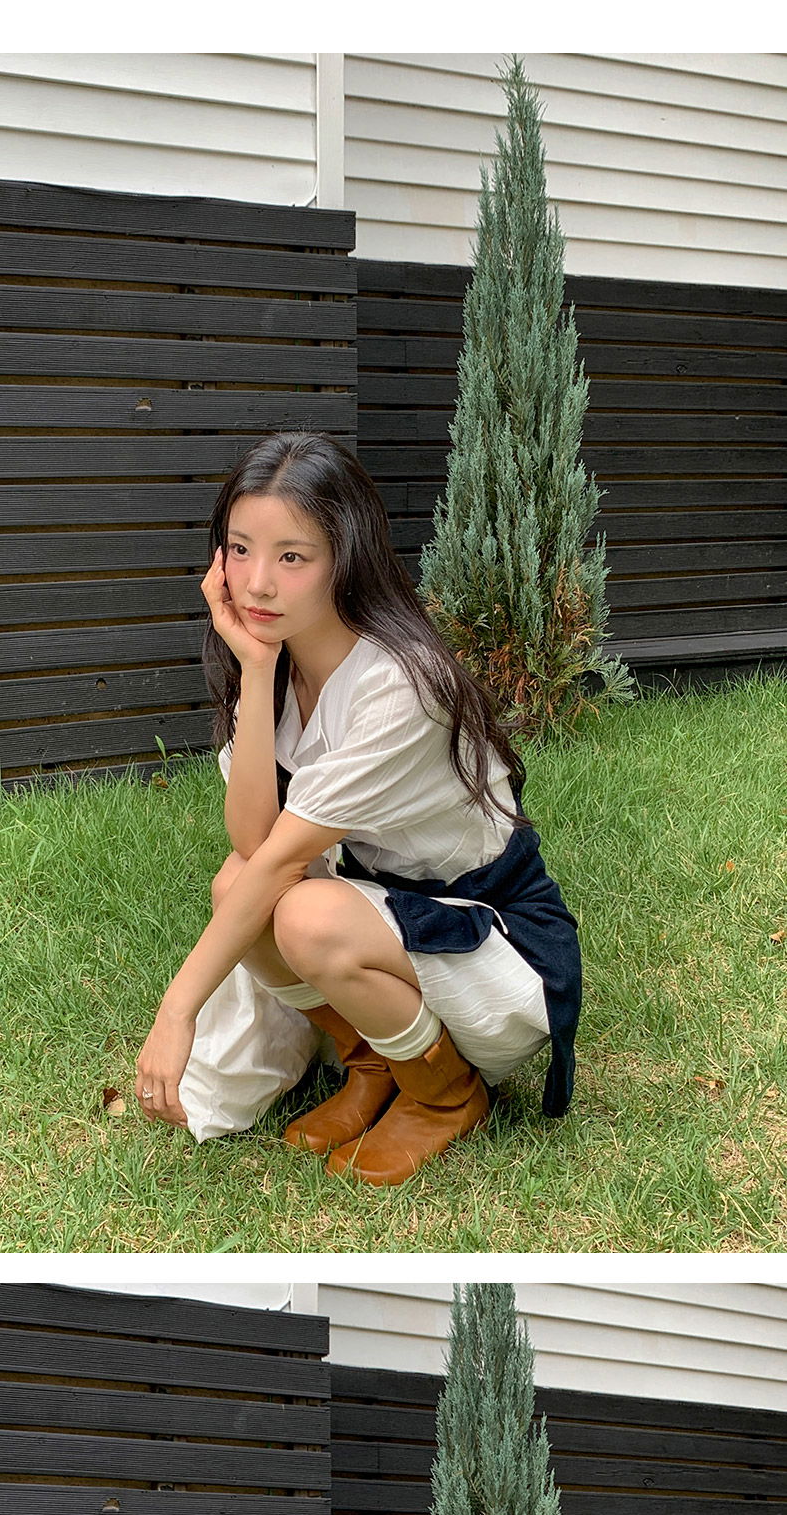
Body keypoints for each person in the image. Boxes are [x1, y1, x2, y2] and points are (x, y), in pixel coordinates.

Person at [133, 433, 582, 1186]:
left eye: (292, 556)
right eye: (239, 550)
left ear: (346, 558)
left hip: (500, 950)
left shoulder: (400, 684)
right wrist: (255, 669)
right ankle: (375, 1064)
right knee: (236, 882)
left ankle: (444, 1093)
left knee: (304, 915)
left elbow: (282, 860)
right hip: (396, 922)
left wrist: (177, 1010)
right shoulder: (280, 664)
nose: (256, 584)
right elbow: (253, 840)